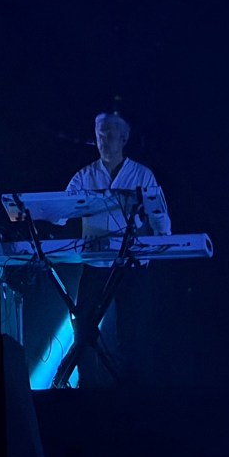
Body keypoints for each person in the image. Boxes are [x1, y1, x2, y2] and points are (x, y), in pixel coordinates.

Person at [64, 111, 170, 387]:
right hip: (95, 262)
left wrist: (161, 243)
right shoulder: (84, 176)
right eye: (99, 135)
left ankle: (134, 393)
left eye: (109, 135)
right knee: (83, 327)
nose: (103, 141)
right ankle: (87, 389)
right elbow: (60, 211)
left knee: (132, 333)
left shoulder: (142, 174)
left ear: (123, 139)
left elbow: (159, 218)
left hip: (132, 265)